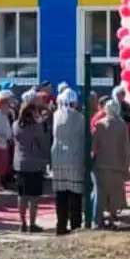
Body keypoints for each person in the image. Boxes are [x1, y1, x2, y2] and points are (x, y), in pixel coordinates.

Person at [92, 97, 130, 228]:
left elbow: (94, 146)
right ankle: (111, 218)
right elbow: (126, 147)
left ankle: (97, 220)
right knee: (115, 193)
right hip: (118, 165)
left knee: (100, 193)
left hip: (101, 164)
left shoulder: (99, 124)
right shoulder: (122, 125)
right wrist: (127, 165)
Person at [50, 89, 86, 235]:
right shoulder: (80, 117)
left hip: (58, 157)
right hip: (74, 157)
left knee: (61, 194)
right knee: (75, 195)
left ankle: (61, 225)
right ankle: (76, 225)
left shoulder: (55, 115)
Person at [13, 103, 50, 233]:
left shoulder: (16, 125)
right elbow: (42, 144)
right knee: (34, 196)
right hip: (34, 164)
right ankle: (32, 224)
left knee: (21, 195)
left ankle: (22, 223)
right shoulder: (36, 127)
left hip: (20, 163)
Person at [0, 90, 15, 191]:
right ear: (1, 103)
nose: (9, 106)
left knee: (2, 164)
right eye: (7, 103)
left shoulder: (4, 114)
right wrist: (2, 136)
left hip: (4, 142)